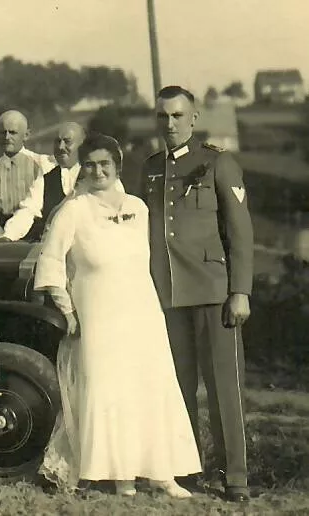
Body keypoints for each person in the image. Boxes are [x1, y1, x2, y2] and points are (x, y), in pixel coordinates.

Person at [34, 133, 201, 498]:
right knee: (108, 389)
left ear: (118, 166)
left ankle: (161, 472)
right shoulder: (73, 210)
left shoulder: (139, 208)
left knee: (149, 384)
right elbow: (49, 262)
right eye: (90, 164)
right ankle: (121, 475)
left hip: (140, 310)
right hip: (97, 313)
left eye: (104, 164)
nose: (97, 171)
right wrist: (67, 309)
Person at [139, 85, 253, 503]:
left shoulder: (218, 163)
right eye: (162, 117)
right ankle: (187, 468)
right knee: (176, 387)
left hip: (212, 292)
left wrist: (240, 290)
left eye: (176, 115)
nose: (169, 124)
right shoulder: (150, 168)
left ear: (193, 118)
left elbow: (239, 232)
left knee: (224, 387)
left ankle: (234, 476)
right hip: (167, 296)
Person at [0, 110, 55, 242]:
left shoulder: (43, 164)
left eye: (13, 132)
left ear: (26, 135)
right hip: (1, 239)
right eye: (3, 133)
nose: (7, 137)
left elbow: (31, 207)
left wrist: (9, 236)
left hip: (38, 238)